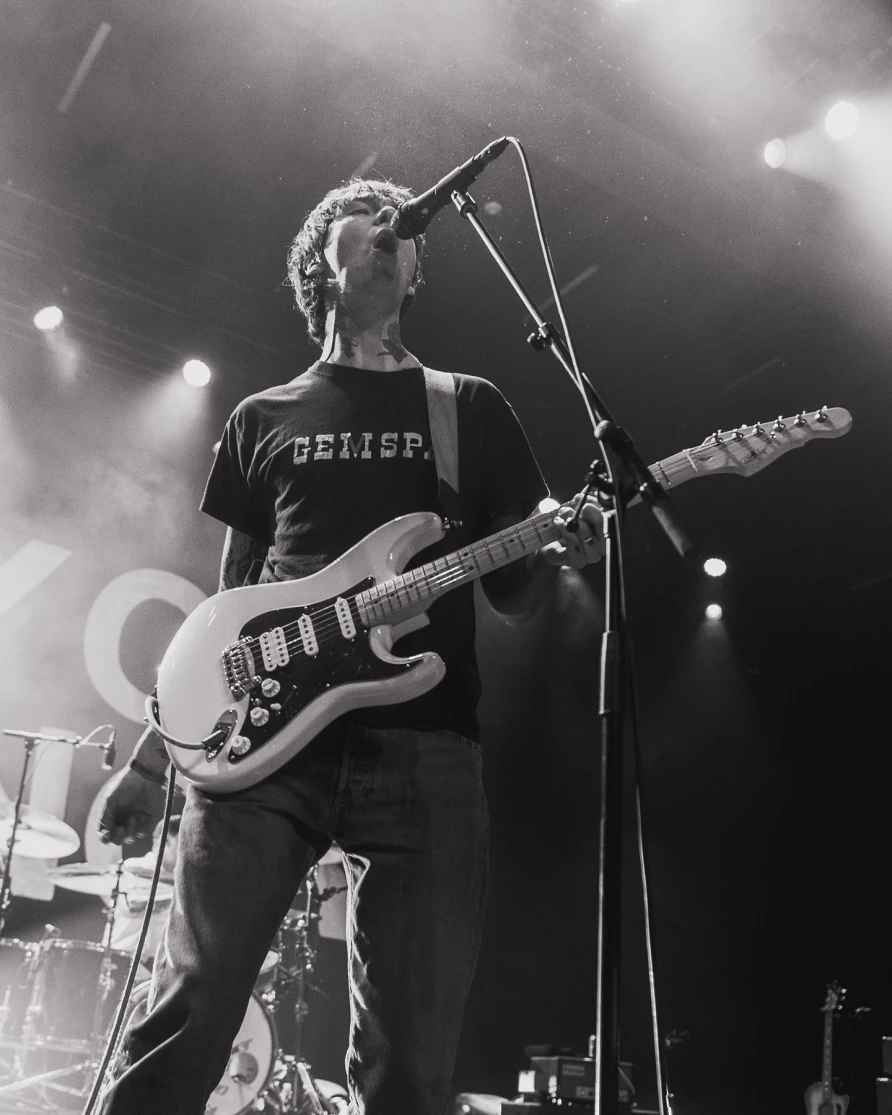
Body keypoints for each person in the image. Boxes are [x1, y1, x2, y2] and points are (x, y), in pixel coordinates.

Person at [96, 176, 603, 1115]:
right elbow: (227, 610)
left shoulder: (470, 407)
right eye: (366, 215)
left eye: (405, 225)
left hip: (428, 744)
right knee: (188, 1019)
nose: (392, 226)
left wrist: (564, 548)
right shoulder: (263, 416)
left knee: (409, 1065)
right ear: (320, 260)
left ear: (415, 274)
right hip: (258, 754)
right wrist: (152, 759)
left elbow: (517, 595)